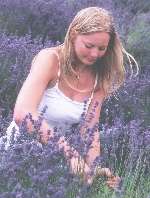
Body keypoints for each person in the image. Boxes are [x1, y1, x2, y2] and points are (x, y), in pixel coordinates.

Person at [5, 7, 138, 187]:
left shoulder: (100, 77)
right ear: (74, 34)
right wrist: (71, 155)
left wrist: (94, 172)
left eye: (102, 48)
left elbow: (89, 130)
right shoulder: (50, 59)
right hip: (17, 153)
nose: (94, 54)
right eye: (89, 46)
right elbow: (23, 113)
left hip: (53, 164)